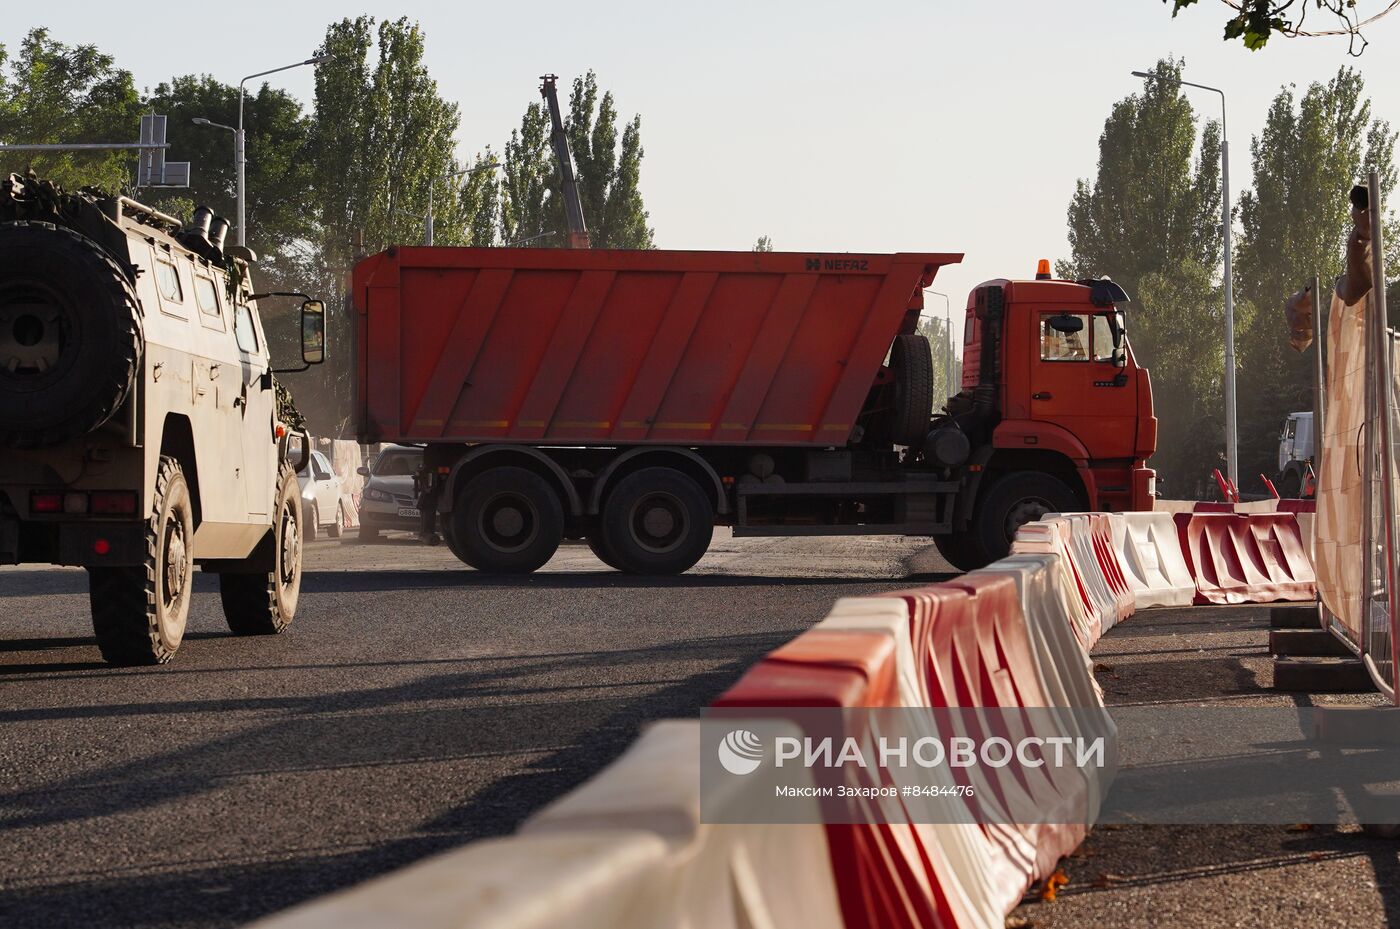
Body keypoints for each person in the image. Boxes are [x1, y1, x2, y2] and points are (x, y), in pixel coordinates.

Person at [1284, 190, 1371, 351]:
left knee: (1358, 246)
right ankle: (1364, 208)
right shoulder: (1319, 316)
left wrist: (1309, 293)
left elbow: (1300, 301)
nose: (1299, 327)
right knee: (1358, 247)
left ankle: (1364, 207)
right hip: (1347, 297)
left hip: (1346, 293)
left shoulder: (1302, 307)